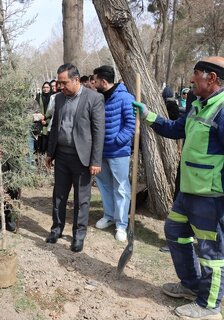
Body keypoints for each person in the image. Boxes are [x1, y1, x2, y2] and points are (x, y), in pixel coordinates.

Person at [133, 56, 224, 319]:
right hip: (188, 191)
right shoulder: (197, 106)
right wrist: (148, 115)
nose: (191, 79)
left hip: (211, 196)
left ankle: (209, 306)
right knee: (174, 231)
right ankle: (191, 285)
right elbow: (175, 129)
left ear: (212, 78)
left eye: (196, 74)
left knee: (211, 253)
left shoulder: (222, 109)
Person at [45, 63, 105, 253]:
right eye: (59, 83)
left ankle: (79, 236)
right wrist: (50, 152)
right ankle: (56, 229)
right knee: (59, 196)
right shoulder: (59, 99)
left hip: (82, 158)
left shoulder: (94, 98)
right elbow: (55, 127)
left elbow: (98, 131)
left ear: (76, 79)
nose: (61, 86)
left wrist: (96, 160)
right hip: (62, 155)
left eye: (64, 83)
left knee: (82, 199)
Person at [92, 65, 135, 242]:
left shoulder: (125, 98)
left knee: (121, 188)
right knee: (105, 185)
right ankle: (109, 215)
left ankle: (122, 224)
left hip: (119, 152)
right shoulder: (99, 99)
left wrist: (116, 141)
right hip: (101, 152)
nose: (93, 84)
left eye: (95, 80)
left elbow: (131, 125)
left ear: (104, 81)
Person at [33, 81, 52, 155]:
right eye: (44, 87)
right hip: (39, 122)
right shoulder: (39, 96)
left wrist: (46, 120)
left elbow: (53, 111)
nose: (45, 89)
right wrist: (40, 118)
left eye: (47, 87)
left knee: (47, 143)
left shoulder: (52, 97)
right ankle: (39, 159)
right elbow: (36, 108)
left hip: (49, 122)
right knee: (39, 143)